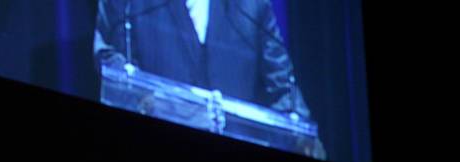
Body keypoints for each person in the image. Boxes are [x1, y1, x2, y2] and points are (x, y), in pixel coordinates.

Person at [94, 0, 311, 118]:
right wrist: (147, 99)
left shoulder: (252, 5)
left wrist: (301, 134)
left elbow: (285, 89)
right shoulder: (129, 4)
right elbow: (108, 56)